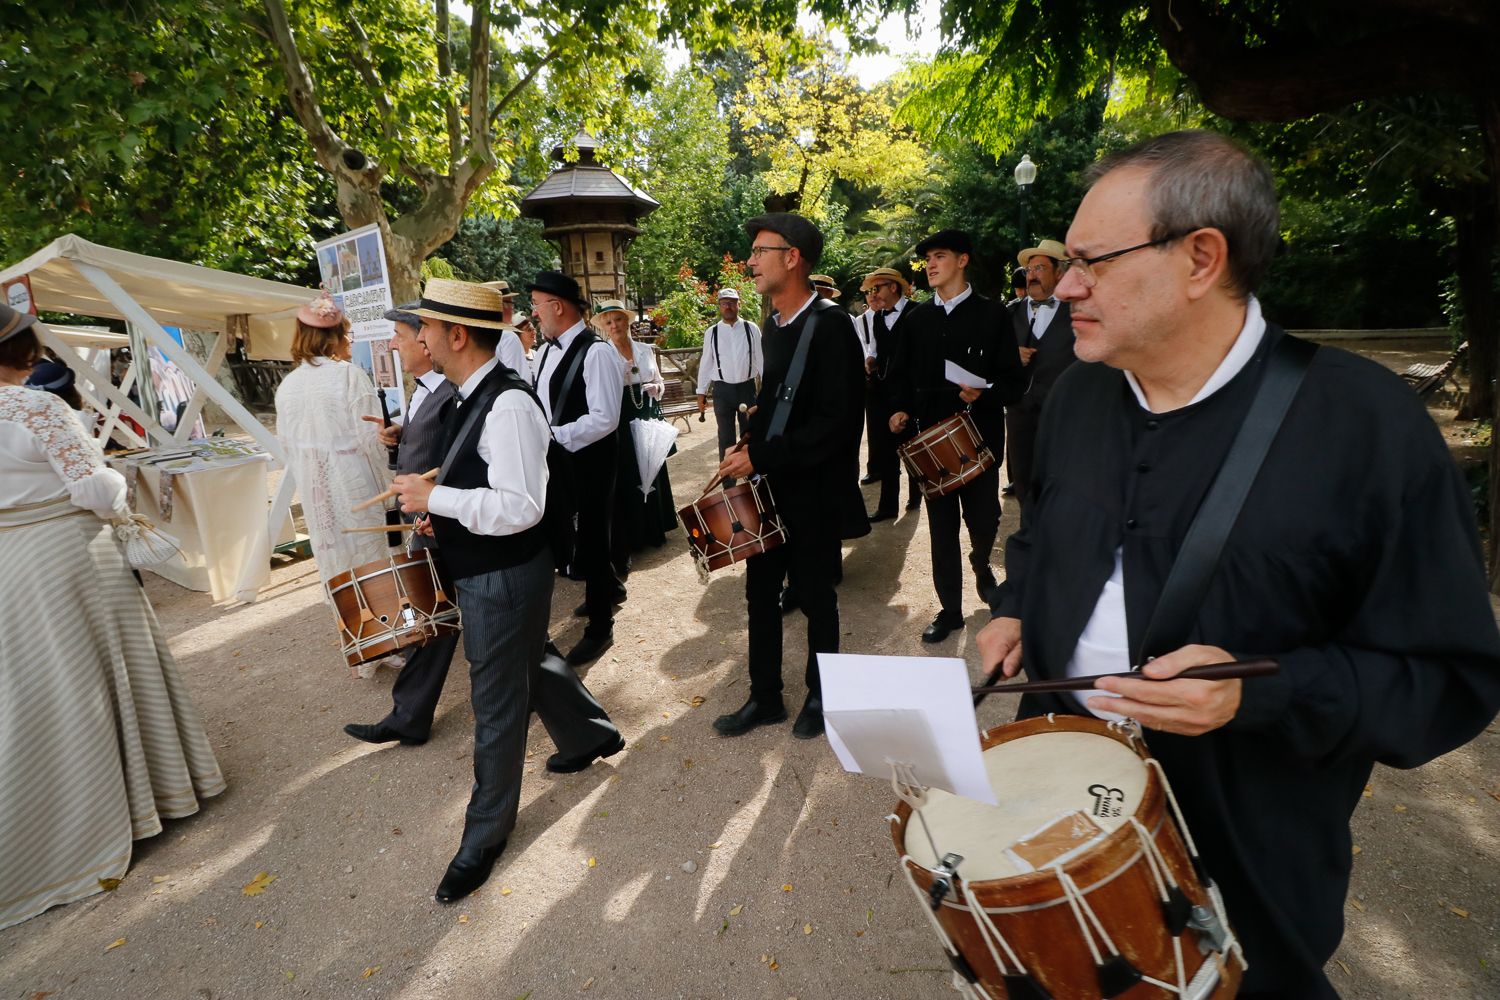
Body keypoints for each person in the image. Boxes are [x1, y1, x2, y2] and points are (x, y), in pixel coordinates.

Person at [976, 129, 1500, 998]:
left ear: (1200, 259)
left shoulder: (1366, 429)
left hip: (1250, 873)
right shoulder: (1075, 396)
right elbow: (1039, 537)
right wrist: (1015, 605)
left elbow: (1448, 679)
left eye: (1090, 262)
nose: (1064, 285)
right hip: (1062, 823)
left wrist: (1261, 693)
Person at [389, 278, 624, 904]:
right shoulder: (472, 393)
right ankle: (590, 734)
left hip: (505, 572)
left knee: (496, 702)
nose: (420, 338)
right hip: (489, 568)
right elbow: (486, 477)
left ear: (456, 335)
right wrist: (437, 497)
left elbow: (522, 504)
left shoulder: (508, 402)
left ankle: (483, 836)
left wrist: (437, 497)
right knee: (528, 657)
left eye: (428, 328)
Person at [0, 303, 225, 929]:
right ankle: (133, 805)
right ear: (22, 346)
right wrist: (118, 488)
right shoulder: (38, 407)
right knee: (102, 674)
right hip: (69, 554)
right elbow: (96, 489)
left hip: (10, 564)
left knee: (40, 686)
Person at [713, 212, 867, 741]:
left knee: (817, 593)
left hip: (816, 490)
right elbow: (780, 402)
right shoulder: (773, 328)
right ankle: (765, 696)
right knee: (760, 592)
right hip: (772, 482)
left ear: (792, 258)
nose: (750, 261)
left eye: (760, 251)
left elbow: (837, 424)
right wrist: (752, 438)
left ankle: (824, 695)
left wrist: (765, 457)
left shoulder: (831, 325)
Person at [888, 230, 1026, 643]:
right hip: (931, 444)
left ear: (963, 260)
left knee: (985, 521)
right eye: (927, 259)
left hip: (980, 441)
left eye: (940, 257)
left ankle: (982, 562)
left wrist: (985, 393)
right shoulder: (916, 320)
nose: (930, 265)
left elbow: (1015, 382)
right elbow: (898, 377)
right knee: (941, 530)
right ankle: (950, 611)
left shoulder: (993, 314)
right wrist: (898, 410)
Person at [342, 300, 464, 747]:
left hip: (442, 524)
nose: (393, 344)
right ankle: (409, 715)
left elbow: (458, 463)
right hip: (427, 522)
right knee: (434, 619)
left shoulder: (452, 393)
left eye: (400, 336)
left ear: (426, 343)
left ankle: (409, 715)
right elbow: (428, 447)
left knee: (439, 616)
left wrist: (437, 512)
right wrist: (400, 436)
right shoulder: (424, 389)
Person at [274, 292, 397, 673]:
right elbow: (371, 438)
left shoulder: (288, 385)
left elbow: (286, 446)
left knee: (335, 561)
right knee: (374, 556)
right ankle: (394, 637)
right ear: (337, 337)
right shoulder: (348, 376)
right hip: (352, 479)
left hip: (316, 486)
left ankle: (360, 642)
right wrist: (388, 486)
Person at [526, 270, 623, 666]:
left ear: (557, 306)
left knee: (594, 539)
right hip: (559, 459)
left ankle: (601, 628)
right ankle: (605, 590)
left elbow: (606, 418)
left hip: (590, 461)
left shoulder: (597, 352)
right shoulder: (548, 351)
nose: (534, 314)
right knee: (573, 535)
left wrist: (554, 435)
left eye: (536, 306)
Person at [595, 300, 677, 581]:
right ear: (604, 327)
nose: (614, 326)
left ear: (626, 322)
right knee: (629, 475)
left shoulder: (645, 349)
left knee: (652, 471)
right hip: (620, 418)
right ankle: (633, 536)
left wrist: (656, 387)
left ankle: (656, 529)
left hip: (647, 414)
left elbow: (661, 383)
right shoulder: (602, 354)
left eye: (618, 320)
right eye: (608, 322)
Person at [1005, 239, 1076, 509]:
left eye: (1039, 268)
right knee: (1023, 481)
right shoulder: (1010, 312)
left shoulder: (1078, 312)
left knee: (1062, 480)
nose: (1031, 275)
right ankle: (1030, 536)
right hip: (1020, 413)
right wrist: (1011, 357)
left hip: (1063, 414)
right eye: (1028, 270)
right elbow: (989, 359)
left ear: (1059, 273)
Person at [859, 266, 921, 521]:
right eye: (872, 289)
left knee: (909, 446)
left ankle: (917, 493)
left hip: (906, 392)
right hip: (880, 390)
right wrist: (871, 360)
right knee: (884, 450)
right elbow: (875, 347)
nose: (874, 294)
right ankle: (887, 507)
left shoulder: (917, 313)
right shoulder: (877, 317)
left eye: (878, 287)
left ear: (893, 287)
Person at [695, 287, 762, 481]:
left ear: (739, 304)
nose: (728, 306)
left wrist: (768, 387)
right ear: (719, 306)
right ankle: (729, 482)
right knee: (725, 437)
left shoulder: (751, 329)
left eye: (732, 302)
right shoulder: (712, 332)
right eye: (724, 303)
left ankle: (752, 476)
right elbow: (706, 363)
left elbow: (762, 359)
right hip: (722, 391)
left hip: (747, 388)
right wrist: (701, 393)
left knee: (750, 433)